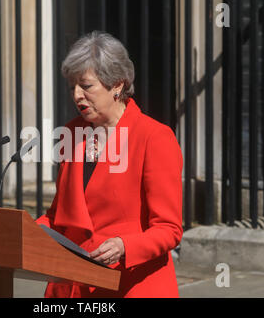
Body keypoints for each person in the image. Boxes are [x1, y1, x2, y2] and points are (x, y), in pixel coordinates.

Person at [36, 31, 183, 298]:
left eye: (87, 86)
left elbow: (169, 229)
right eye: (73, 87)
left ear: (117, 85)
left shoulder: (154, 138)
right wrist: (24, 231)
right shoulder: (73, 133)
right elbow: (60, 217)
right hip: (72, 285)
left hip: (129, 284)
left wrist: (125, 245)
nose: (78, 95)